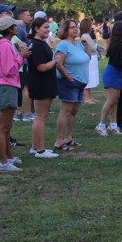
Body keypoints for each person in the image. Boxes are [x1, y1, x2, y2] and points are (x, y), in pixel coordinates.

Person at [0, 16, 31, 172]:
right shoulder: (5, 45)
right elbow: (9, 70)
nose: (17, 28)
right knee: (3, 127)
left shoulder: (4, 44)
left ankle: (9, 158)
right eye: (14, 26)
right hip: (6, 87)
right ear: (10, 29)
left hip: (5, 87)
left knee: (7, 127)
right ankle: (3, 163)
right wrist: (21, 57)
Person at [53, 19, 89, 152]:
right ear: (65, 30)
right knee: (66, 111)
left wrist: (86, 46)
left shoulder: (78, 44)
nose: (75, 29)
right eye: (71, 27)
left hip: (80, 82)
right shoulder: (63, 45)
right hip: (69, 82)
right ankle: (59, 141)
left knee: (74, 112)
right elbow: (58, 63)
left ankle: (68, 137)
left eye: (76, 27)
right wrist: (69, 78)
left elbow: (88, 58)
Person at [27, 17, 59, 159]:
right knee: (40, 116)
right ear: (36, 29)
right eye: (45, 27)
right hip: (40, 83)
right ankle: (40, 150)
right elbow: (41, 67)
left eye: (48, 27)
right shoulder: (36, 45)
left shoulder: (41, 43)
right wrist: (55, 61)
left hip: (45, 83)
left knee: (41, 116)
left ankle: (35, 147)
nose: (48, 30)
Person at [98, 21, 122, 135]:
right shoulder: (119, 45)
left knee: (115, 101)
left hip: (116, 73)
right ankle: (101, 125)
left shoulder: (117, 43)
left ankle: (113, 124)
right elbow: (117, 62)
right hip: (112, 73)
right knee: (111, 101)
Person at [80, 18, 100, 104]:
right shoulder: (84, 36)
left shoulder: (87, 35)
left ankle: (90, 96)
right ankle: (86, 98)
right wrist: (97, 47)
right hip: (90, 57)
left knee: (91, 77)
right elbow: (91, 47)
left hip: (93, 56)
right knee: (88, 77)